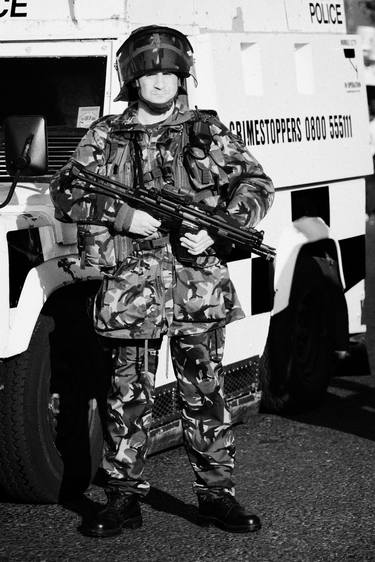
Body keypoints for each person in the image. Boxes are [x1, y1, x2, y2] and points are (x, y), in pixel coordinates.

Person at [50, 25, 274, 538]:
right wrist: (123, 216)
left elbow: (256, 183)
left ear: (182, 77)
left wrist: (219, 233)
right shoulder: (106, 136)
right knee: (127, 396)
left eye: (168, 71)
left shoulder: (204, 133)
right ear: (133, 77)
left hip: (196, 284)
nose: (159, 79)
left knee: (204, 391)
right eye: (149, 70)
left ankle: (217, 497)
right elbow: (65, 191)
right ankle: (122, 499)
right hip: (132, 289)